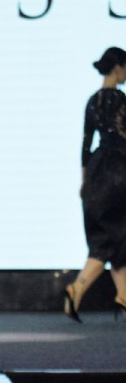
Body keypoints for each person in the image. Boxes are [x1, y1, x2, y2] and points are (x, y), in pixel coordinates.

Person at [64, 47, 126, 321]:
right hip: (119, 169)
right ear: (118, 67)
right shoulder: (120, 100)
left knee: (109, 236)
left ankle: (121, 296)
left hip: (96, 172)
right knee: (118, 236)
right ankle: (81, 288)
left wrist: (84, 180)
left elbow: (85, 145)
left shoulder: (92, 101)